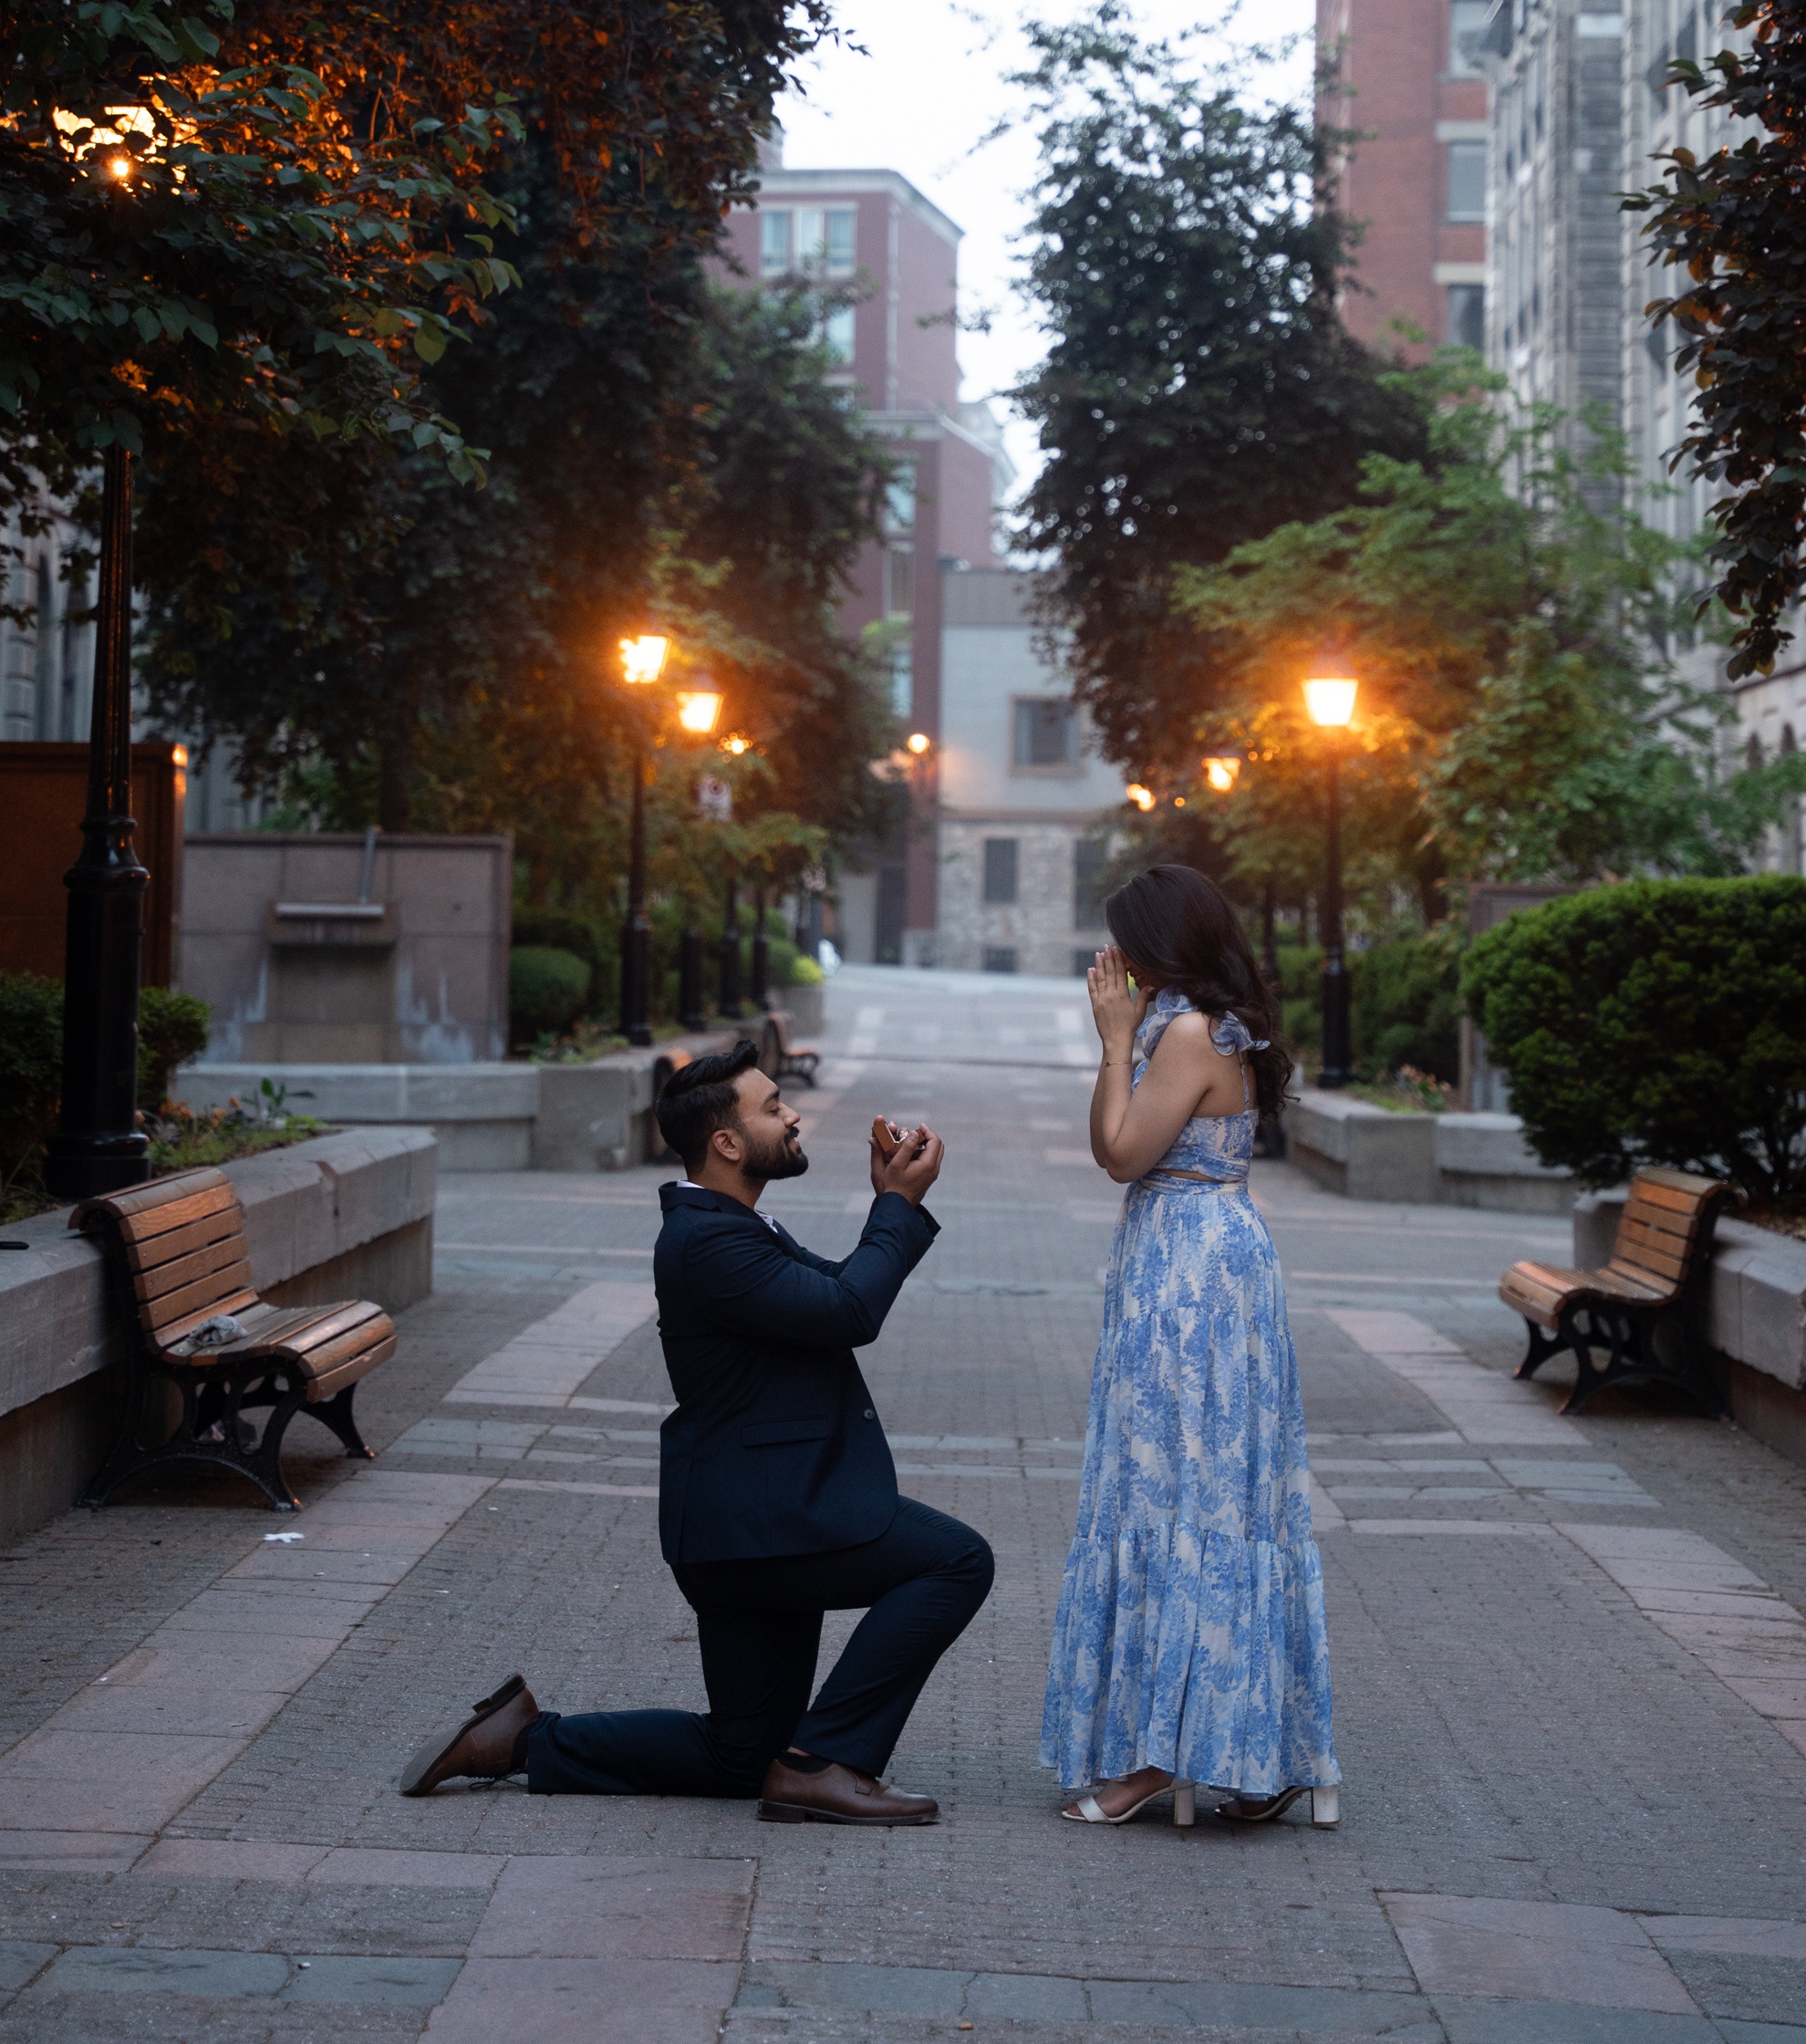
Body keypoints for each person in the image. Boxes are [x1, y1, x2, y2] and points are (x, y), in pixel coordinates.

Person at [400, 1042, 993, 1825]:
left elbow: (841, 1295)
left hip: (741, 1529)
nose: (794, 1116)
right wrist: (899, 1207)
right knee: (955, 1560)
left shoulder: (732, 1228)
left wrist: (890, 1199)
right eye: (773, 1106)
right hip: (767, 1524)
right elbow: (852, 1313)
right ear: (725, 1141)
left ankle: (522, 1740)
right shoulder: (709, 1241)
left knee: (741, 1754)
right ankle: (826, 1762)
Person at [1041, 865, 1340, 1830]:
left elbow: (1121, 1154)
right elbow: (1115, 1147)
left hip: (1190, 1281)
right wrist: (1119, 1046)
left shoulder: (1182, 1032)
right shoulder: (1216, 1025)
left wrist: (1116, 1039)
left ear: (1160, 945)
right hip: (1210, 1262)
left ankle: (1163, 1757)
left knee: (1176, 1494)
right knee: (1220, 1499)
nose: (1112, 959)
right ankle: (1248, 1749)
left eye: (1124, 940)